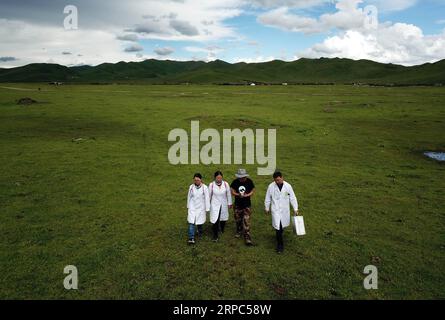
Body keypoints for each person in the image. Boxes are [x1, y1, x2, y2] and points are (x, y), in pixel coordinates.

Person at [264, 171, 299, 253]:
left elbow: (292, 198)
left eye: (279, 180)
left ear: (282, 178)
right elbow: (268, 197)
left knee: (281, 226)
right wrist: (267, 207)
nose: (277, 182)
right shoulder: (271, 186)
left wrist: (295, 208)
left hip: (284, 210)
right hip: (275, 210)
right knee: (278, 227)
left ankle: (280, 233)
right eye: (276, 180)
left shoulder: (288, 186)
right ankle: (280, 245)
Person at [230, 168, 255, 246]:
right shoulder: (235, 182)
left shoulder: (249, 181)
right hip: (237, 205)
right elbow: (232, 191)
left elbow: (253, 190)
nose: (242, 179)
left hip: (247, 205)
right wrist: (238, 194)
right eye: (240, 177)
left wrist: (247, 195)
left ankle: (247, 238)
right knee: (238, 219)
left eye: (243, 177)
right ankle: (239, 230)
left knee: (246, 221)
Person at [208, 171, 233, 242]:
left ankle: (222, 228)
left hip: (223, 203)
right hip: (214, 204)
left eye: (220, 178)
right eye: (218, 178)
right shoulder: (211, 185)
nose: (219, 179)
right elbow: (209, 196)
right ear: (215, 178)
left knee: (223, 218)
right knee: (215, 219)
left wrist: (229, 203)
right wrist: (208, 205)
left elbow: (228, 194)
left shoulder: (225, 184)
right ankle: (215, 235)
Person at [186, 173, 210, 245]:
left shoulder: (204, 187)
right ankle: (191, 238)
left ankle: (200, 231)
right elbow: (189, 197)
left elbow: (207, 198)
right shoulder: (191, 187)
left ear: (201, 180)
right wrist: (188, 206)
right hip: (192, 207)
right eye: (195, 180)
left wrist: (207, 208)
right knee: (191, 222)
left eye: (198, 180)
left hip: (201, 207)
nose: (196, 181)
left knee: (199, 221)